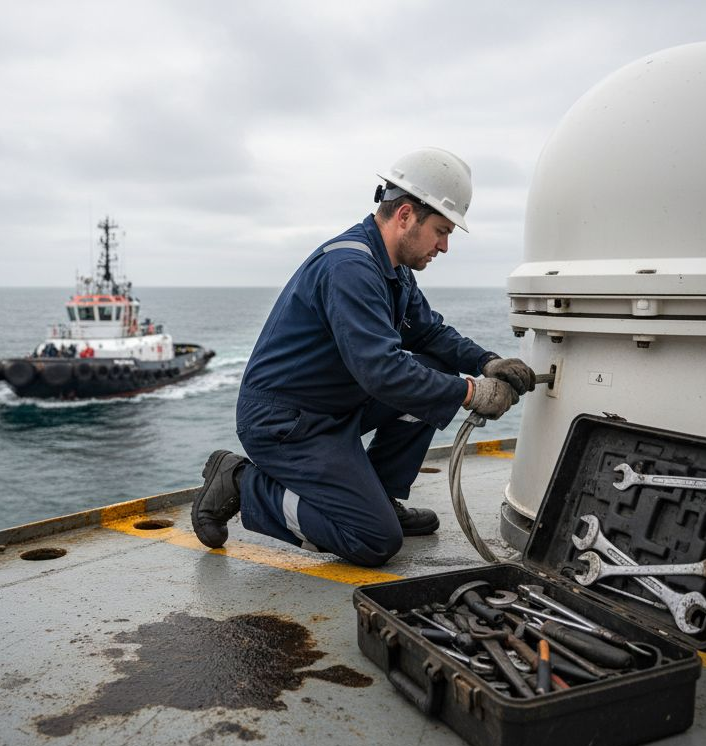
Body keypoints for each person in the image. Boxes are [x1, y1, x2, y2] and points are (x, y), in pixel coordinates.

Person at [191, 148, 535, 567]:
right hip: (286, 424)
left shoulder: (390, 266)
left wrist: (486, 362)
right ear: (405, 216)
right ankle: (242, 483)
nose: (444, 246)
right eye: (441, 231)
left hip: (333, 408)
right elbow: (382, 372)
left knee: (435, 369)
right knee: (373, 540)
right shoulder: (350, 268)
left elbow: (427, 331)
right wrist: (471, 392)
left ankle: (381, 495)